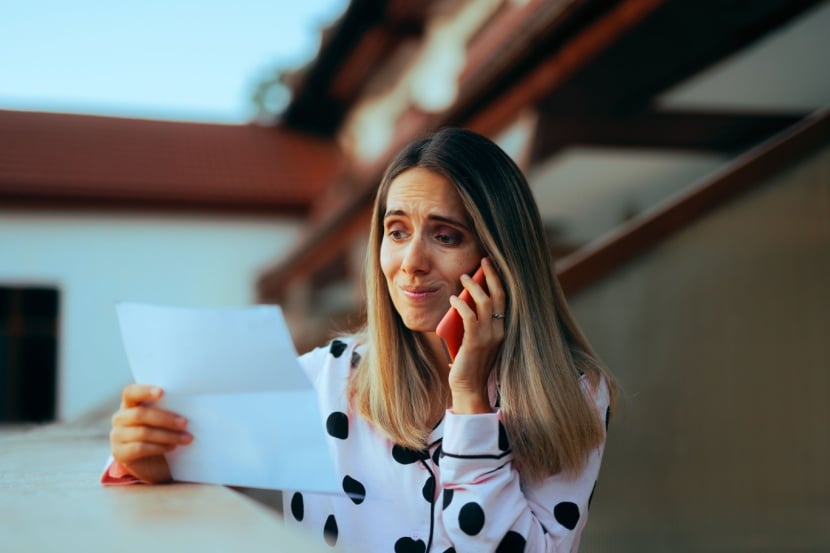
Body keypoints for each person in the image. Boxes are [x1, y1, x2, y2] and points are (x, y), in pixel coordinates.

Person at [105, 127, 616, 552]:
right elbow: (183, 456)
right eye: (396, 232)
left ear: (501, 256)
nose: (410, 262)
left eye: (445, 235)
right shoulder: (325, 378)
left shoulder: (572, 393)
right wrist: (148, 454)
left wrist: (471, 402)